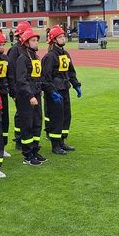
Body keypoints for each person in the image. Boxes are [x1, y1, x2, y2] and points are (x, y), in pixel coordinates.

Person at [42, 25, 82, 155]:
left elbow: (70, 71)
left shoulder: (65, 54)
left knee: (66, 116)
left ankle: (62, 142)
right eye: (60, 37)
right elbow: (45, 77)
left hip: (64, 89)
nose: (63, 38)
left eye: (63, 36)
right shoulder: (50, 57)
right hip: (55, 91)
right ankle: (55, 145)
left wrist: (76, 84)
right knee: (56, 118)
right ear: (54, 40)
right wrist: (51, 92)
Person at [15, 28, 46, 165]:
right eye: (33, 40)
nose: (36, 42)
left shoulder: (35, 57)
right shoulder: (23, 59)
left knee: (37, 123)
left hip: (36, 95)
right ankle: (27, 155)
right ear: (26, 43)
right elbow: (21, 80)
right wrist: (30, 96)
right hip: (27, 98)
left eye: (36, 40)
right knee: (27, 124)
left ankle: (35, 150)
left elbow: (38, 77)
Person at [7, 21, 32, 150]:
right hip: (19, 88)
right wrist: (13, 91)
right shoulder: (14, 50)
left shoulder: (27, 50)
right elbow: (11, 72)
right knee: (21, 114)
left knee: (28, 114)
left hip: (28, 88)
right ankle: (18, 139)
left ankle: (26, 138)